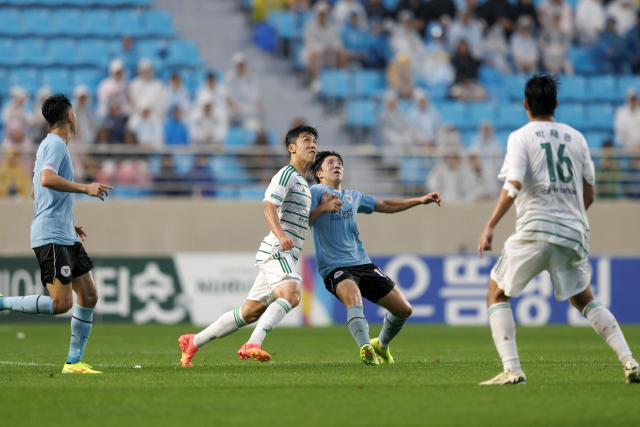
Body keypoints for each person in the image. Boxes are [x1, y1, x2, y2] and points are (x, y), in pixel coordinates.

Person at [476, 75, 639, 385]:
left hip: (535, 228)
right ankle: (629, 360)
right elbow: (589, 193)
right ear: (556, 104)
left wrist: (489, 226)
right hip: (574, 231)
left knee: (496, 292)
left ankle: (513, 370)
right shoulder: (577, 138)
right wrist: (568, 217)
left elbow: (512, 185)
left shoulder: (520, 137)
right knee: (585, 300)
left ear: (525, 105)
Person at [178, 125, 318, 366]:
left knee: (249, 312)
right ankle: (253, 342)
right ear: (291, 148)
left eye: (315, 141)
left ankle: (194, 341)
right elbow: (268, 207)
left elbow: (301, 220)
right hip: (277, 249)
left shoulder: (304, 184)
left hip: (284, 253)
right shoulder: (286, 174)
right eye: (306, 140)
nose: (313, 145)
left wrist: (322, 210)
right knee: (292, 295)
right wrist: (282, 235)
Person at [0, 94, 113, 374]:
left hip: (63, 231)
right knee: (62, 303)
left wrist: (67, 218)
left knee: (89, 295)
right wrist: (85, 187)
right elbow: (45, 180)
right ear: (71, 116)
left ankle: (73, 363)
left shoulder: (50, 146)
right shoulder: (55, 145)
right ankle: (2, 303)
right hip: (51, 234)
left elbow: (35, 192)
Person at [308, 151, 441, 364]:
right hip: (335, 267)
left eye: (340, 162)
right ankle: (365, 349)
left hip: (363, 263)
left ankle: (381, 345)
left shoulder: (354, 196)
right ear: (319, 172)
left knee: (404, 309)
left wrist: (419, 200)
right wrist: (324, 207)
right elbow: (301, 218)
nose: (337, 165)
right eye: (330, 162)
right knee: (353, 297)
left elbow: (386, 205)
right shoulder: (315, 191)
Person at [302, 3, 347, 82]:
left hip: (330, 51)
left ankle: (340, 80)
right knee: (314, 54)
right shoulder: (309, 26)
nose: (322, 17)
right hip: (314, 51)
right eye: (320, 14)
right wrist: (324, 48)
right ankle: (316, 80)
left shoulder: (332, 27)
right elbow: (310, 43)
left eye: (324, 14)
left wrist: (332, 48)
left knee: (342, 53)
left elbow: (337, 42)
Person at [225, 53, 265, 128]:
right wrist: (236, 108)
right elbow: (228, 98)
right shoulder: (229, 79)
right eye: (240, 65)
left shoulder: (250, 79)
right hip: (236, 113)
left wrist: (259, 105)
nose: (242, 67)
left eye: (243, 65)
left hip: (249, 111)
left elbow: (255, 96)